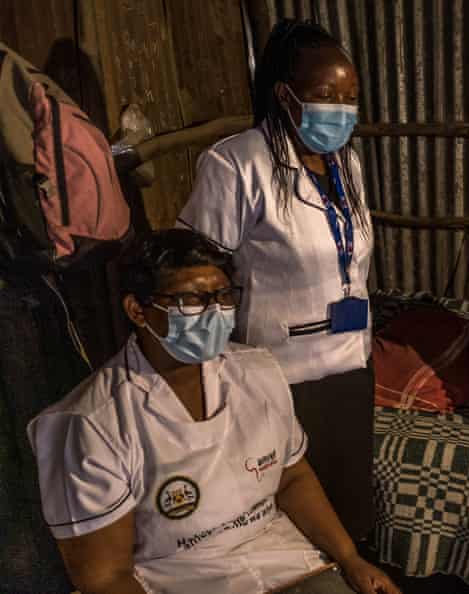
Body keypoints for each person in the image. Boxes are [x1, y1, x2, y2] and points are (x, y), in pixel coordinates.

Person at [27, 230, 400, 594]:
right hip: (183, 580)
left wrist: (351, 559)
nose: (215, 312)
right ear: (137, 310)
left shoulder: (258, 372)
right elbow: (105, 577)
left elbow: (292, 478)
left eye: (223, 296)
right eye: (192, 300)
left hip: (286, 565)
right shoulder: (90, 424)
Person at [177, 20, 375, 540]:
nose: (341, 108)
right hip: (277, 380)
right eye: (325, 95)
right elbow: (195, 270)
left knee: (349, 516)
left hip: (351, 368)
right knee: (288, 522)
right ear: (285, 95)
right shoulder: (237, 163)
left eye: (350, 96)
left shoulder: (346, 165)